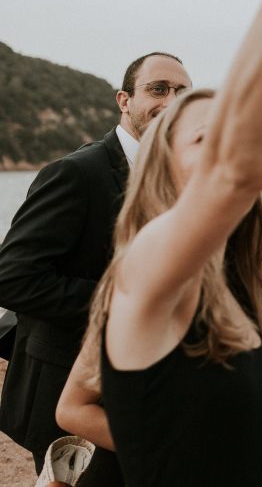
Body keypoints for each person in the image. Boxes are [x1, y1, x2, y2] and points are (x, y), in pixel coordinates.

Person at [60, 0, 262, 485]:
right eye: (204, 137)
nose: (226, 143)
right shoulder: (143, 267)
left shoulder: (235, 284)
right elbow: (239, 168)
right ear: (162, 169)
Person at [0, 50, 191, 475]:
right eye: (158, 89)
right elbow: (13, 278)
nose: (171, 101)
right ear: (124, 101)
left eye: (181, 92)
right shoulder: (76, 173)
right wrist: (124, 308)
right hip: (69, 393)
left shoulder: (183, 179)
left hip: (150, 390)